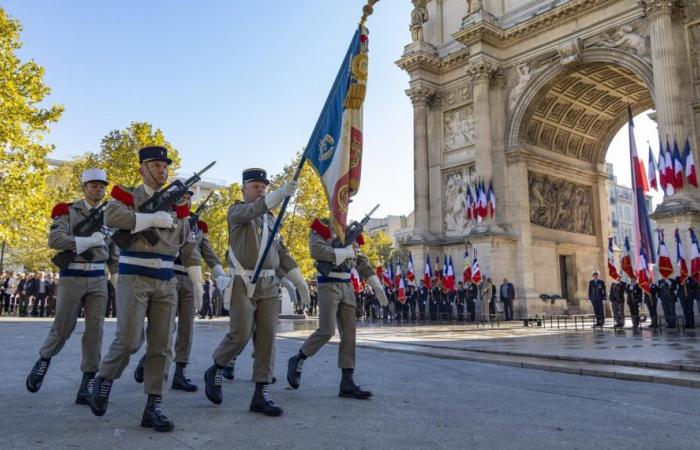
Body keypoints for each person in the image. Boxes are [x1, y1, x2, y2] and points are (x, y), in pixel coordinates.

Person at [89, 146, 199, 432]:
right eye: (155, 165)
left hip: (165, 277)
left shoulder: (176, 203)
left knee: (162, 347)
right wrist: (148, 219)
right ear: (142, 169)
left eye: (165, 166)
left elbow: (186, 240)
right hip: (134, 274)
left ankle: (154, 406)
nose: (162, 170)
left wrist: (197, 280)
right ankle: (104, 378)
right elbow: (111, 218)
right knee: (128, 340)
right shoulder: (128, 196)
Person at [204, 168, 308, 417]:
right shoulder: (237, 212)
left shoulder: (272, 219)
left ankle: (261, 393)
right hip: (243, 282)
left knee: (267, 339)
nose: (260, 189)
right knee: (239, 335)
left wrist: (296, 280)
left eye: (263, 186)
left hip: (269, 285)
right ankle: (217, 366)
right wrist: (281, 193)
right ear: (244, 189)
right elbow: (254, 210)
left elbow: (281, 253)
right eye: (255, 186)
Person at [26, 169, 118, 406]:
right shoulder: (68, 211)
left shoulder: (110, 214)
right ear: (84, 188)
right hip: (72, 274)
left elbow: (113, 249)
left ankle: (87, 381)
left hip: (98, 277)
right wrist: (84, 241)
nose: (98, 189)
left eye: (101, 185)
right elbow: (55, 240)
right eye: (93, 185)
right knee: (63, 327)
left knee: (95, 332)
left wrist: (116, 274)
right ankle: (44, 359)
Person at [287, 217, 388, 399]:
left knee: (349, 334)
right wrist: (343, 253)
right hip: (328, 283)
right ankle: (299, 358)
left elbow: (361, 260)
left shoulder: (348, 231)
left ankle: (347, 381)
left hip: (347, 284)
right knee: (326, 331)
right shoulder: (322, 226)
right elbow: (317, 250)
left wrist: (375, 283)